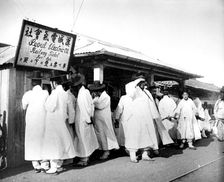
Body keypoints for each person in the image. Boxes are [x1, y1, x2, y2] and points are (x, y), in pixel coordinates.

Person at [42, 71, 76, 174]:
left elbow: (49, 107)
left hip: (53, 122)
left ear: (54, 83)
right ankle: (58, 165)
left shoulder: (55, 93)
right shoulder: (65, 94)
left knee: (53, 144)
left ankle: (54, 166)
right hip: (61, 121)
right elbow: (70, 110)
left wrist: (46, 102)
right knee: (61, 142)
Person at [122, 78, 158, 162]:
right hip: (135, 118)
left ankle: (145, 154)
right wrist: (135, 84)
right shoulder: (134, 91)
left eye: (144, 82)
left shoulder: (146, 92)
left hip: (146, 118)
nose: (143, 84)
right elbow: (129, 90)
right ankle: (133, 156)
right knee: (134, 136)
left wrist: (153, 115)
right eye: (141, 83)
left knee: (145, 136)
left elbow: (151, 104)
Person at [21, 71, 49, 173]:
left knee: (32, 141)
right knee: (43, 141)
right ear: (41, 83)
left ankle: (36, 165)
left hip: (32, 122)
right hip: (43, 120)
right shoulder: (45, 93)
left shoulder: (28, 94)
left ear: (32, 83)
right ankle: (45, 164)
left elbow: (23, 107)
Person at [72, 73, 99, 166]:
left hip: (83, 119)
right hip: (83, 119)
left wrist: (88, 119)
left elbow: (86, 107)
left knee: (83, 139)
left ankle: (84, 159)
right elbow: (91, 106)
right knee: (84, 138)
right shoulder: (84, 92)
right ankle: (85, 157)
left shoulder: (83, 93)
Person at [88, 82, 119, 160]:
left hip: (104, 119)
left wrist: (93, 102)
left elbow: (100, 106)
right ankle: (103, 149)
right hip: (99, 120)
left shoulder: (106, 97)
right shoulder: (99, 97)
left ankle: (106, 151)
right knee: (101, 135)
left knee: (105, 134)